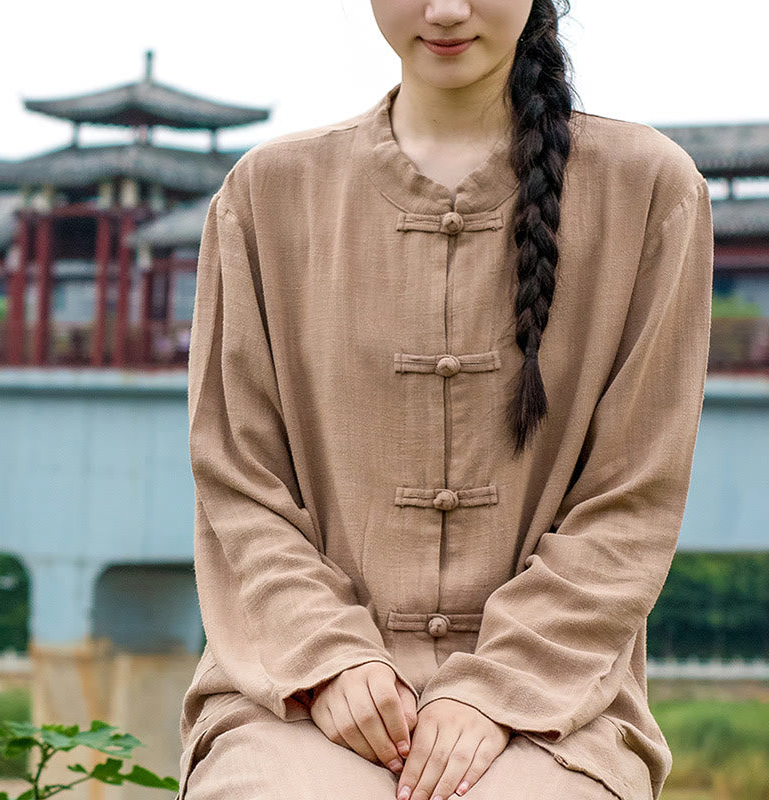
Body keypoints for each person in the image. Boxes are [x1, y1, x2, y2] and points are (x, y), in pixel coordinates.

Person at [176, 1, 713, 799]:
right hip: (290, 688)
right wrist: (332, 657)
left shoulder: (651, 191)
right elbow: (238, 476)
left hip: (558, 702)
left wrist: (499, 687)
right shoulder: (266, 194)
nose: (447, 10)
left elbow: (632, 499)